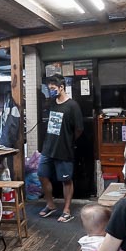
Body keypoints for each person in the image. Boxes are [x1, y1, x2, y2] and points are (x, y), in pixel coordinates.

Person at [37, 75, 84, 223]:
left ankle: (67, 210)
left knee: (66, 180)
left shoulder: (72, 106)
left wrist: (68, 140)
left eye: (53, 88)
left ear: (61, 87)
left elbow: (79, 129)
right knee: (41, 174)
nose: (51, 91)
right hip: (48, 147)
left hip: (64, 149)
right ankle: (50, 205)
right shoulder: (51, 103)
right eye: (49, 89)